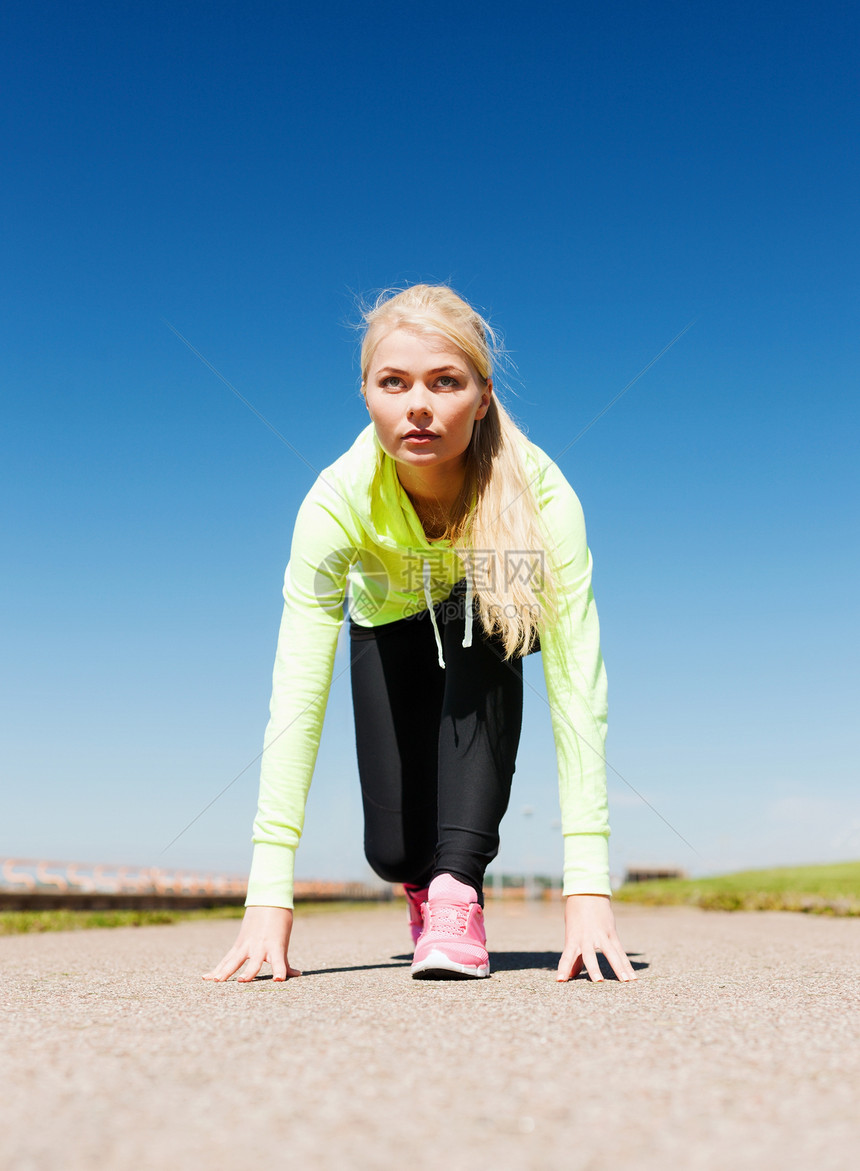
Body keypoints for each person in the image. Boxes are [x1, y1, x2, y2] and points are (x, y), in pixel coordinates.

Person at [203, 284, 637, 984]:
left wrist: (587, 886)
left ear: (483, 395)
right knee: (396, 850)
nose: (419, 405)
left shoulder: (543, 495)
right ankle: (423, 879)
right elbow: (297, 695)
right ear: (366, 393)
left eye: (445, 381)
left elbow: (577, 685)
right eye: (394, 382)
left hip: (483, 617)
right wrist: (267, 895)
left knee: (490, 594)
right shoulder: (335, 500)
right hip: (389, 624)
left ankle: (456, 892)